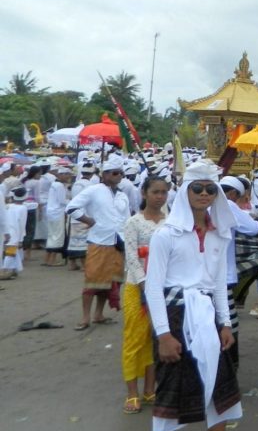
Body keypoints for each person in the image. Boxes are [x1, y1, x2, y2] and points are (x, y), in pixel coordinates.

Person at [145, 161, 251, 431]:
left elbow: (219, 283)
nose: (205, 195)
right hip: (176, 317)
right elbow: (153, 287)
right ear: (185, 192)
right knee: (172, 389)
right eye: (197, 188)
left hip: (208, 315)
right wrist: (163, 334)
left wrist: (225, 322)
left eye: (210, 189)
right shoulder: (166, 234)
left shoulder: (220, 233)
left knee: (220, 384)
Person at [120, 175, 169, 414]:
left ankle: (150, 389)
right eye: (155, 192)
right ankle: (132, 393)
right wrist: (143, 286)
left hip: (162, 287)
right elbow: (131, 257)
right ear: (144, 193)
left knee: (155, 339)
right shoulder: (134, 223)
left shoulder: (170, 221)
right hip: (137, 287)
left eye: (163, 192)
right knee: (134, 339)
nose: (160, 197)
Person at [67, 155, 131, 330]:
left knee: (109, 282)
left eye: (121, 173)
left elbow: (127, 219)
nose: (119, 176)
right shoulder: (94, 190)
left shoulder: (123, 196)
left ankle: (98, 314)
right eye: (115, 173)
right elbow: (71, 208)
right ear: (105, 174)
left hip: (118, 242)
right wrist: (90, 221)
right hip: (98, 241)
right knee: (92, 281)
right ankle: (85, 317)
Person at [218, 175, 258, 369]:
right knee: (227, 319)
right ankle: (229, 364)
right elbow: (253, 228)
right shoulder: (229, 205)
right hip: (221, 275)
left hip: (200, 275)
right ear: (233, 193)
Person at [43, 166, 73, 266]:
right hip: (57, 212)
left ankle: (47, 259)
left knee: (51, 235)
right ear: (61, 175)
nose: (69, 177)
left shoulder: (55, 184)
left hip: (51, 211)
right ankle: (52, 260)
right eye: (67, 175)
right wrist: (71, 201)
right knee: (57, 236)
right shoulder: (59, 185)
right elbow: (62, 201)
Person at [0, 187, 28, 279]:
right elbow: (22, 224)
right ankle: (4, 270)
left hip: (6, 230)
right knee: (10, 252)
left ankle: (13, 269)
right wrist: (21, 239)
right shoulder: (23, 208)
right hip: (15, 232)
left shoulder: (8, 206)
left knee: (11, 251)